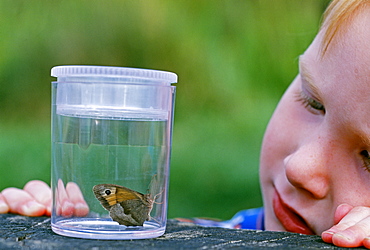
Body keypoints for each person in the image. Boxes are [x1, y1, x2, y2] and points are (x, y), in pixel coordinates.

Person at [2, 0, 370, 247]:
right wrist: (61, 226)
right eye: (313, 100)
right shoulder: (228, 234)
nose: (299, 167)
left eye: (369, 157)